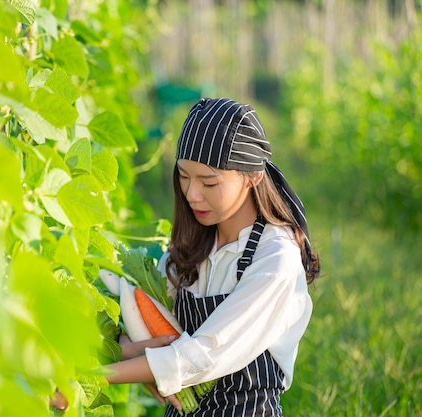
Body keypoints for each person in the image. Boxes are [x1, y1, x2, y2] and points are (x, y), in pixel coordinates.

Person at [104, 97, 320, 416]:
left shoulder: (275, 260)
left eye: (209, 182)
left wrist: (93, 378)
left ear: (253, 177)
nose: (192, 194)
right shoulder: (196, 245)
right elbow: (155, 320)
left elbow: (203, 354)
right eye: (183, 176)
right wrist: (130, 352)